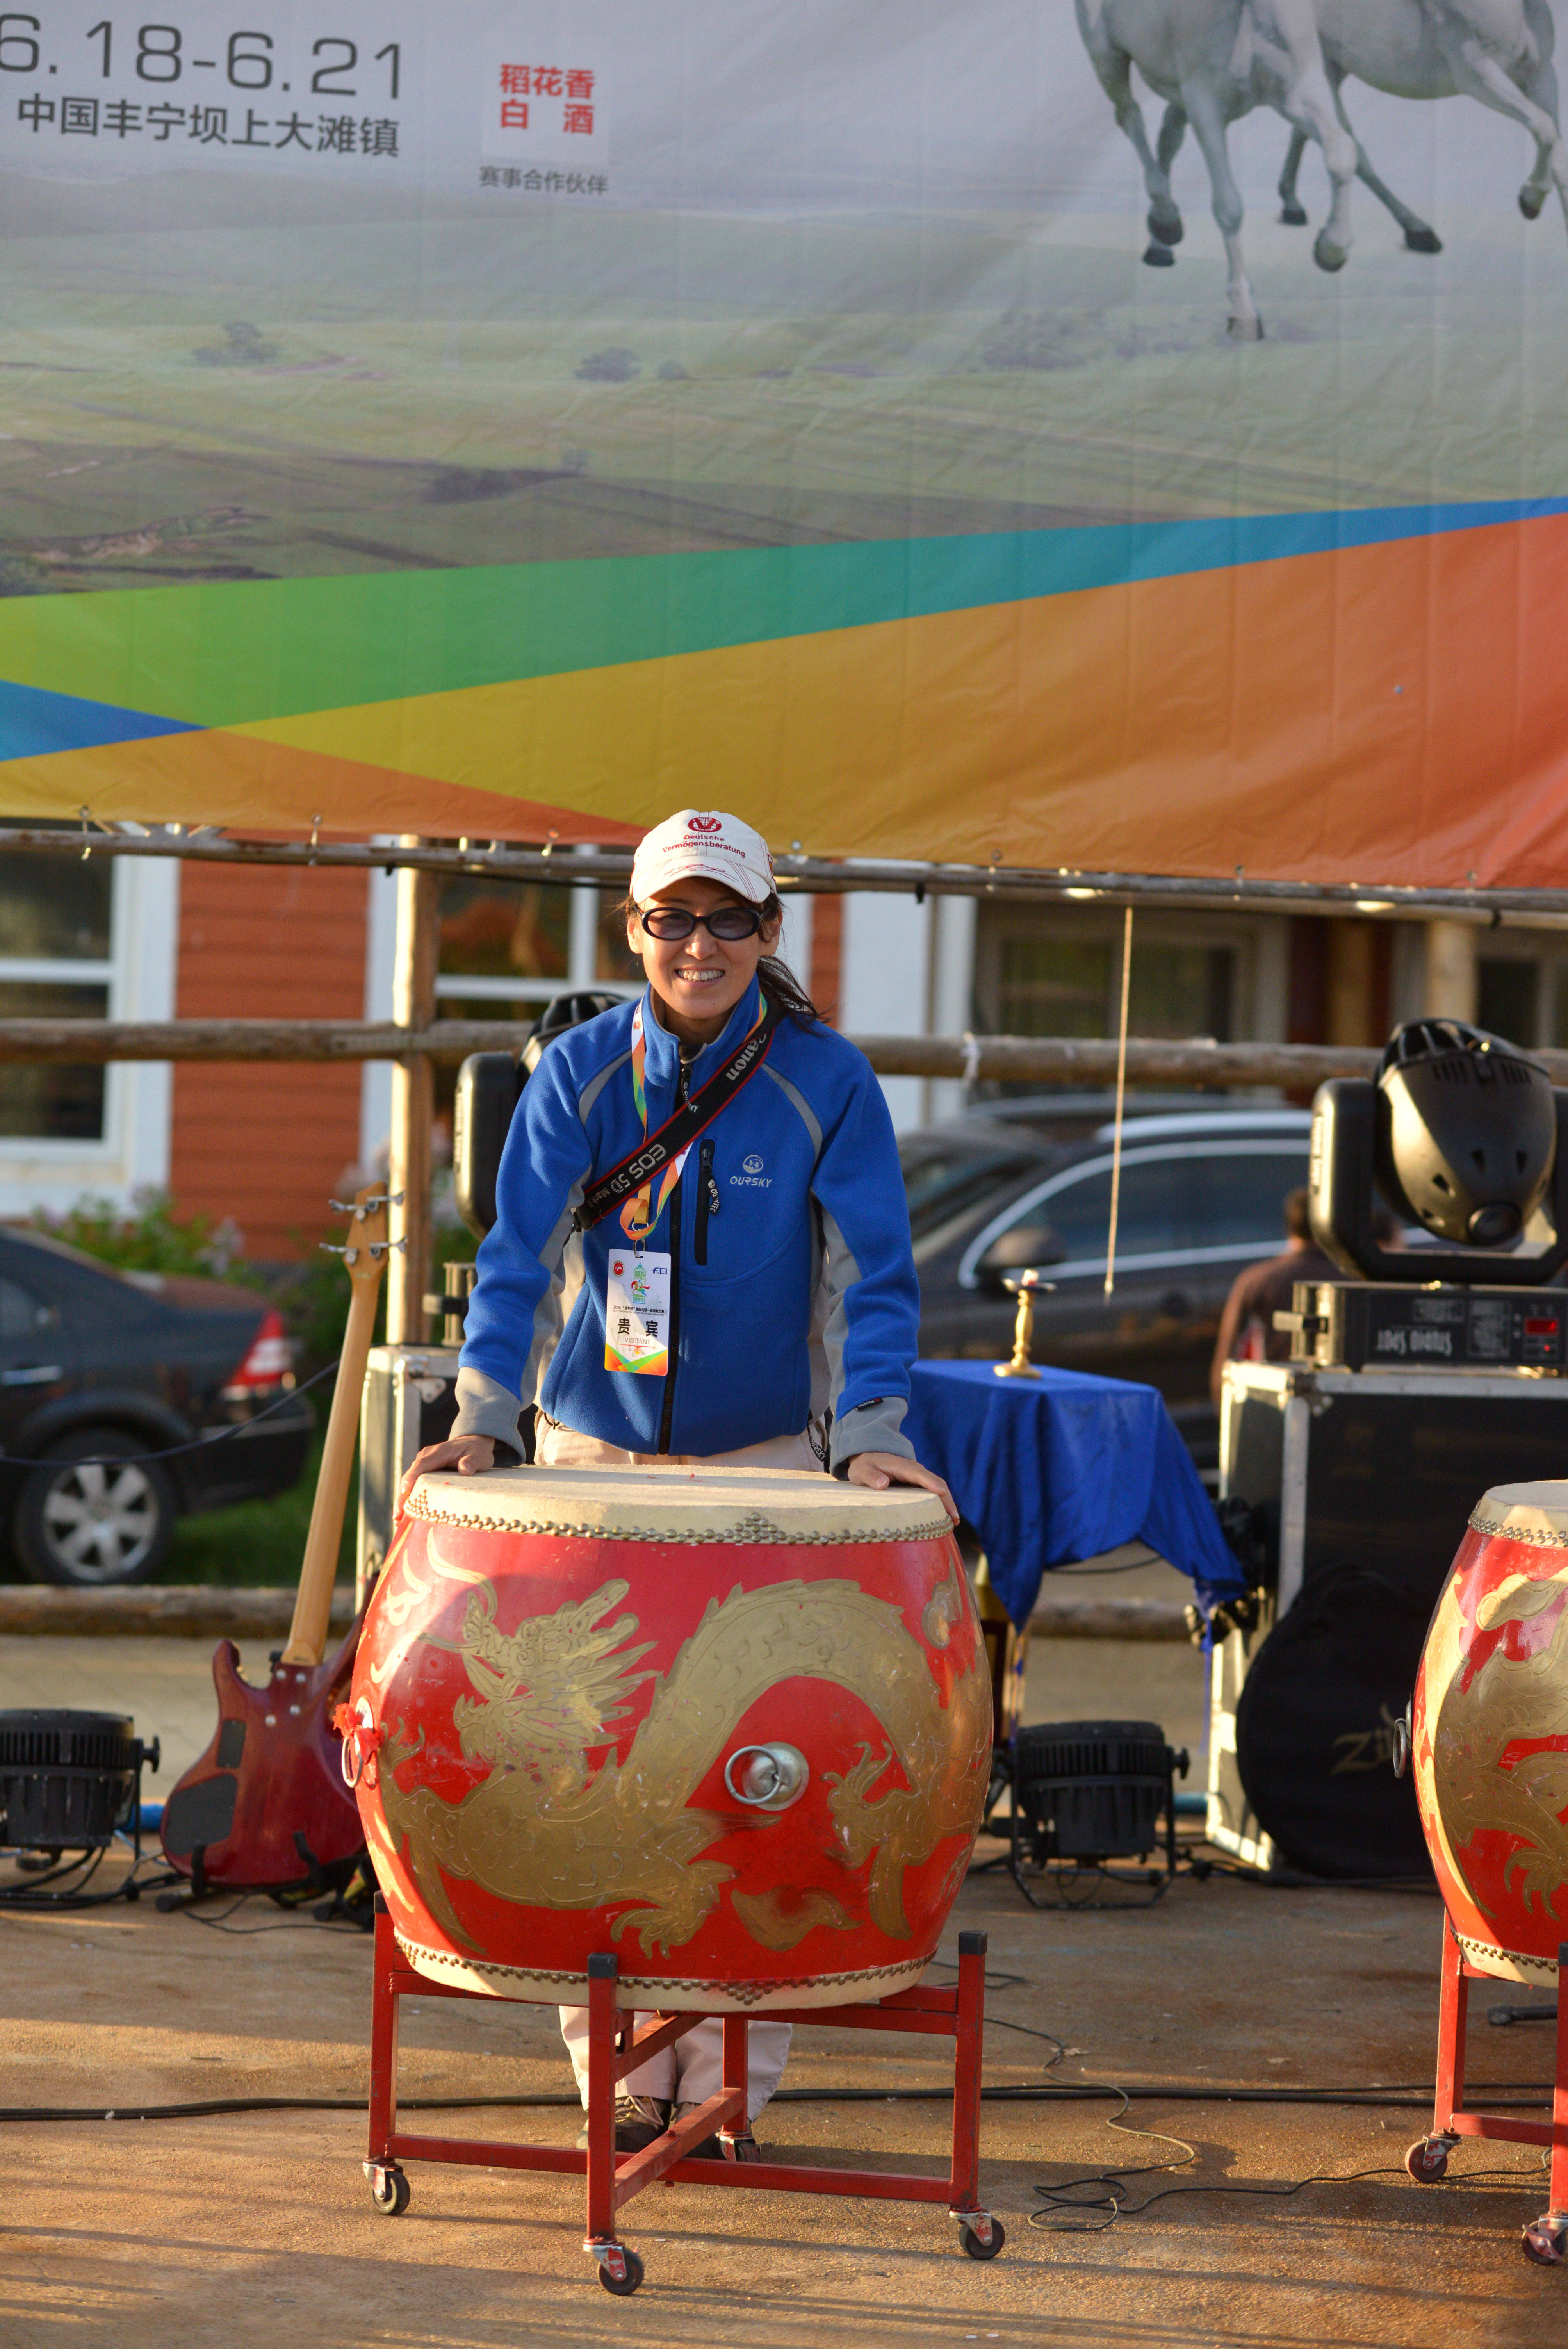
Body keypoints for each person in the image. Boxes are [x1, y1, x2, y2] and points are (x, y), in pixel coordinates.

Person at [401, 806, 956, 2160]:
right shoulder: (578, 1073)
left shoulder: (827, 1078)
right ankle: (620, 2081)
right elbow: (516, 1262)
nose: (696, 944)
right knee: (595, 1765)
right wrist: (482, 1418)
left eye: (725, 918)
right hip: (594, 1461)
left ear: (769, 932)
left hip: (762, 1462)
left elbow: (869, 1274)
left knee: (757, 1770)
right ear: (633, 926)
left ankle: (734, 2088)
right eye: (671, 916)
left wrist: (870, 1426)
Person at [1209, 1185, 1400, 1403]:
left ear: (1289, 1227)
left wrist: (1224, 1410)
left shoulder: (1255, 1280)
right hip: (1337, 1399)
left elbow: (1226, 1355)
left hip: (1274, 1397)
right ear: (1327, 1221)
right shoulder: (1354, 1278)